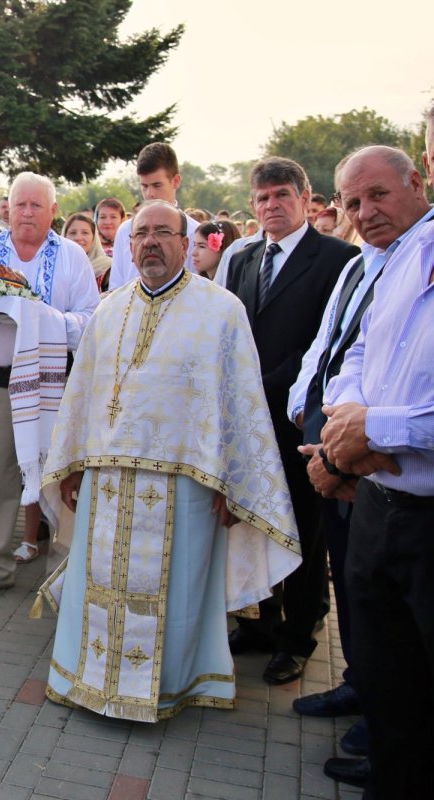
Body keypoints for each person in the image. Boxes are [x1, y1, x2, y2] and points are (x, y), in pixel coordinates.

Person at [33, 200, 302, 721]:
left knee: (177, 593)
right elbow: (82, 394)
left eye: (163, 233)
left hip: (186, 486)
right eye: (141, 235)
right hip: (107, 482)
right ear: (128, 246)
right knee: (100, 583)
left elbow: (240, 402)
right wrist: (71, 465)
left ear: (185, 242)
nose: (150, 243)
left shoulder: (221, 310)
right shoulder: (108, 309)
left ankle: (173, 686)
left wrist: (234, 484)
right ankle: (89, 678)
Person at [285, 146, 434, 787]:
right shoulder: (386, 263)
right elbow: (353, 353)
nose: (366, 212)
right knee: (383, 651)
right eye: (353, 202)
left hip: (426, 510)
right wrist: (342, 437)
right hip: (374, 493)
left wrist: (378, 430)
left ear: (416, 180)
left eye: (379, 194)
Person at [224, 157, 360, 686]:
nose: (271, 206)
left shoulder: (337, 258)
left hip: (299, 417)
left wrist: (267, 383)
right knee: (253, 519)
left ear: (306, 198)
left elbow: (328, 344)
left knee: (304, 529)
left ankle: (298, 636)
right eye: (262, 199)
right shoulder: (242, 258)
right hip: (247, 418)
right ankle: (260, 622)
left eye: (281, 195)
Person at [0, 172, 99, 598]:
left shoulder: (72, 256)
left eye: (37, 205)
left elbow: (91, 320)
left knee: (60, 476)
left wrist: (43, 319)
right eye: (20, 204)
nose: (28, 212)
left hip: (54, 384)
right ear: (8, 208)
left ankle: (65, 570)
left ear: (54, 211)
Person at [108, 143, 201, 288]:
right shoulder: (125, 230)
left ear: (175, 181)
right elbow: (116, 286)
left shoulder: (194, 231)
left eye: (157, 185)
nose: (150, 193)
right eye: (144, 186)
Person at [63, 212, 112, 291]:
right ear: (64, 237)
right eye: (73, 233)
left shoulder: (107, 269)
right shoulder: (56, 268)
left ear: (94, 238)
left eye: (85, 233)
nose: (78, 238)